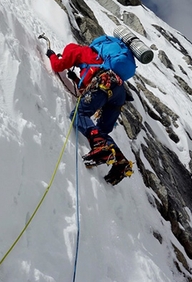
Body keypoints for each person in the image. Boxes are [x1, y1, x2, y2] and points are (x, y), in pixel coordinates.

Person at [46, 42, 134, 185]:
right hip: (118, 92)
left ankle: (100, 148)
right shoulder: (97, 57)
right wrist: (75, 79)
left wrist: (52, 55)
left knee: (78, 115)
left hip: (104, 82)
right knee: (101, 131)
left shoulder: (77, 51)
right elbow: (92, 93)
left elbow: (57, 66)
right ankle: (120, 163)